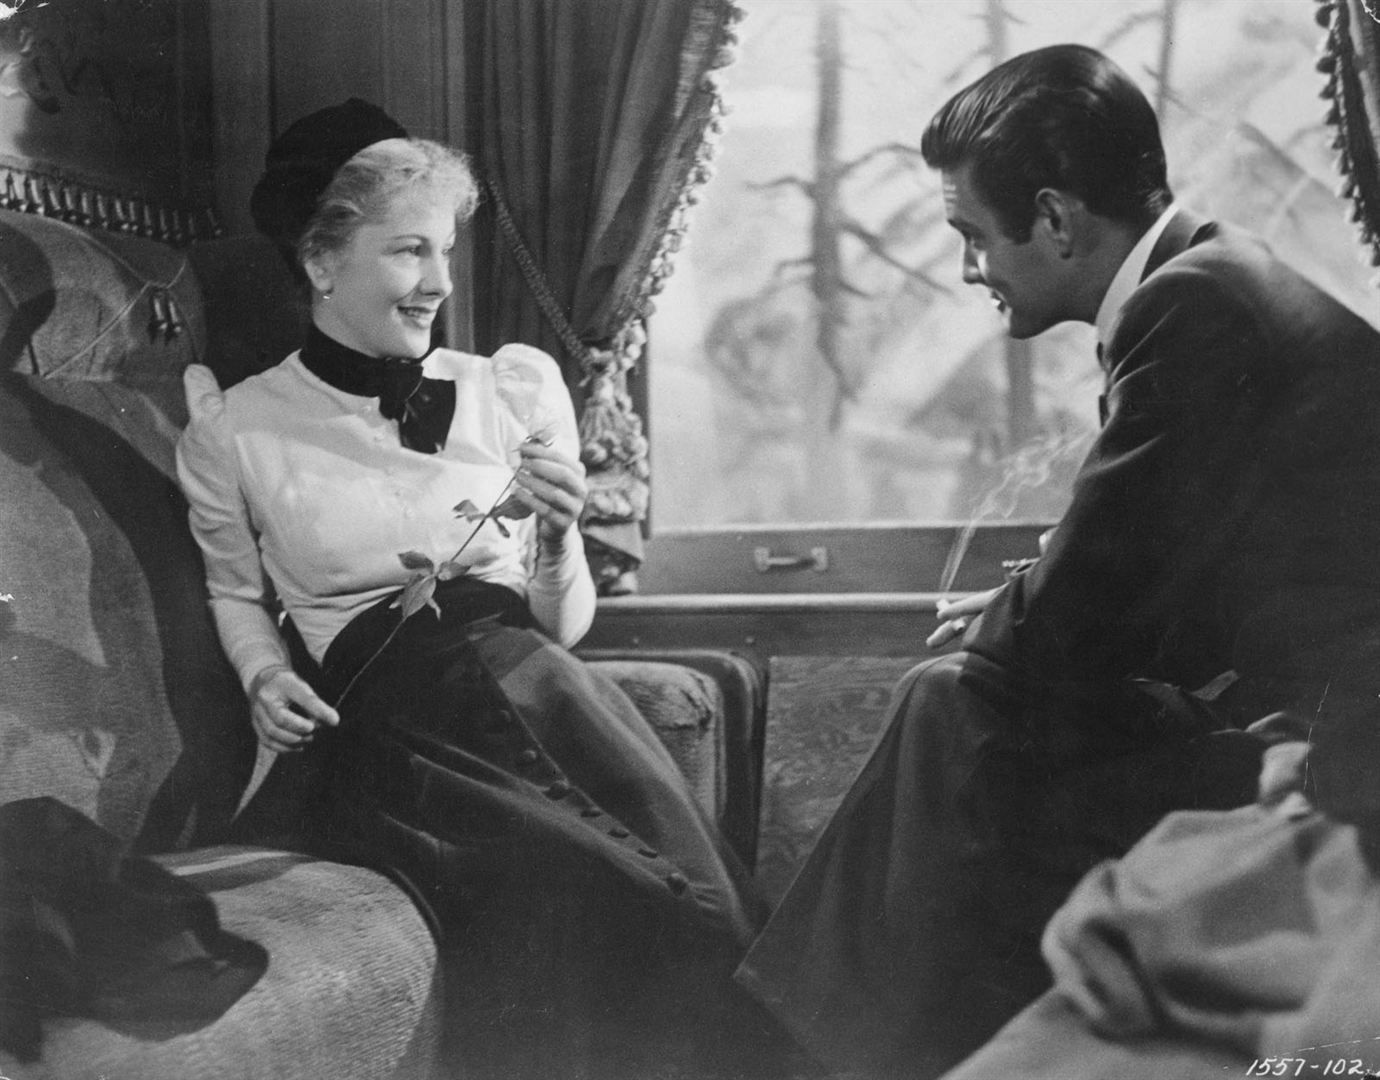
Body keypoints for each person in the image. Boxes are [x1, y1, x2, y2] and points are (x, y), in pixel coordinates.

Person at [735, 44, 1380, 1079]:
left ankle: (801, 1048)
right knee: (956, 711)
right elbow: (1139, 574)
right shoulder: (1214, 274)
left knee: (955, 705)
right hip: (1306, 714)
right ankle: (837, 1045)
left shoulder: (1194, 304)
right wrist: (1022, 608)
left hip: (1333, 752)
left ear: (1056, 219)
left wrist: (1013, 614)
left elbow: (1080, 618)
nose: (968, 270)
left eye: (972, 236)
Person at [176, 98, 785, 1079]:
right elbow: (234, 593)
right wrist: (261, 675)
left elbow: (562, 628)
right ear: (321, 261)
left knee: (709, 918)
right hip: (395, 729)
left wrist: (560, 533)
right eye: (409, 251)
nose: (441, 283)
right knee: (610, 899)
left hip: (544, 687)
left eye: (447, 252)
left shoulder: (508, 388)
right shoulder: (237, 427)